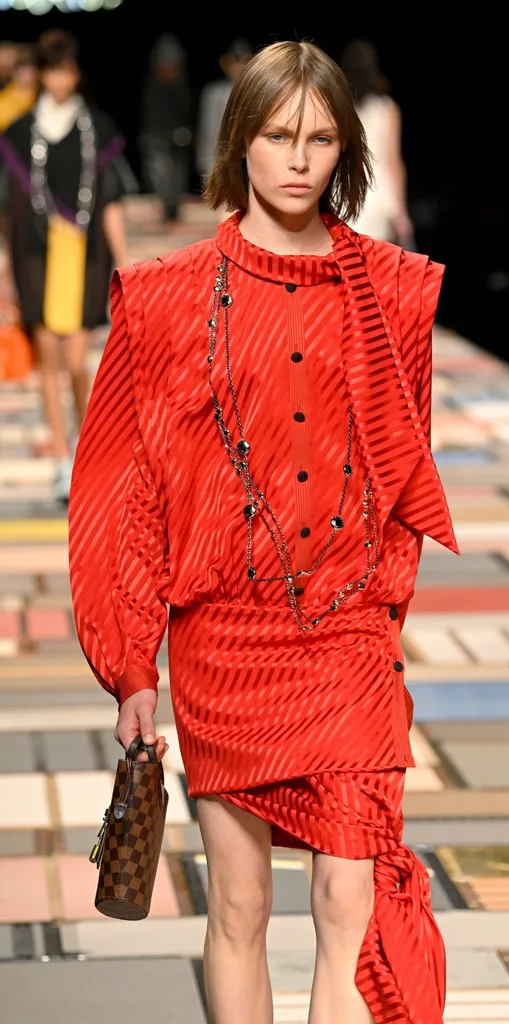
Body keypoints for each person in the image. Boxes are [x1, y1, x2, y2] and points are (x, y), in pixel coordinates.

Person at [69, 40, 459, 1024]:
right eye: (279, 135)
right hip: (223, 640)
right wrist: (132, 666)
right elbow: (125, 487)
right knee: (240, 901)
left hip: (348, 633)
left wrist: (378, 619)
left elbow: (400, 469)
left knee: (347, 893)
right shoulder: (163, 301)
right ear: (239, 139)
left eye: (321, 138)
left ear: (346, 151)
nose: (298, 159)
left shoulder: (395, 298)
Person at [0, 30, 131, 503]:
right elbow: (6, 209)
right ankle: (61, 458)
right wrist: (3, 272)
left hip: (86, 254)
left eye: (66, 70)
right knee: (50, 362)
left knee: (77, 361)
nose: (59, 79)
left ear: (77, 73)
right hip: (34, 255)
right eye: (52, 69)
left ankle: (86, 447)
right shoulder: (17, 134)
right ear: (41, 73)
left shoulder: (96, 127)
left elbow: (112, 200)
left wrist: (124, 262)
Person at [342, 40, 413, 246]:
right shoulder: (387, 109)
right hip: (377, 191)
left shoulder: (340, 109)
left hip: (345, 190)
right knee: (376, 267)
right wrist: (401, 212)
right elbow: (392, 162)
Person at [139, 34, 193, 223]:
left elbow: (186, 113)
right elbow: (150, 115)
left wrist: (183, 133)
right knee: (160, 174)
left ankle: (173, 207)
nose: (169, 68)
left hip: (178, 139)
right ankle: (165, 206)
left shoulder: (181, 86)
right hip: (157, 139)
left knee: (176, 175)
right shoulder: (153, 86)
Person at [195, 38, 251, 179]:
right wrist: (205, 160)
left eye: (244, 61)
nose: (238, 67)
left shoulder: (255, 91)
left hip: (248, 155)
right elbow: (207, 128)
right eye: (235, 62)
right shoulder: (213, 92)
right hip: (219, 154)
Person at [0, 44, 38, 133]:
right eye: (22, 70)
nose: (27, 75)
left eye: (31, 69)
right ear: (13, 71)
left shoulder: (42, 96)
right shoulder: (3, 100)